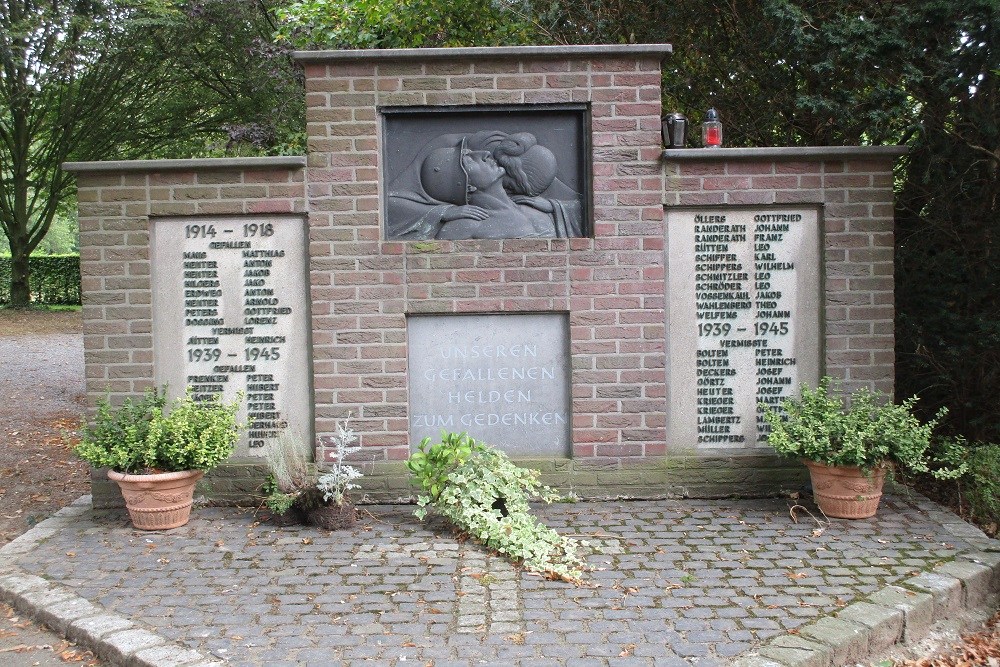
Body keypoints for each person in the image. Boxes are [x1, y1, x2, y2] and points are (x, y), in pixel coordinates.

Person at [386, 130, 584, 240]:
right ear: (469, 186)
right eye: (469, 160)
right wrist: (443, 212)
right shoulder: (464, 227)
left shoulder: (540, 208)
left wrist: (555, 207)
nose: (484, 153)